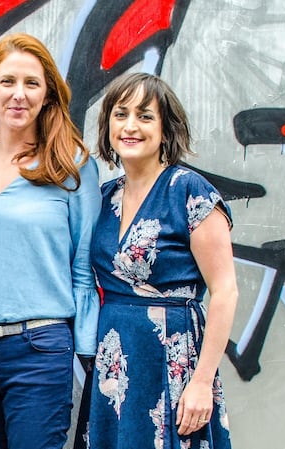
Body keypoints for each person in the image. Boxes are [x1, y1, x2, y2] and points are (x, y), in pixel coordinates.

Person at [0, 33, 101, 449]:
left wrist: (85, 351)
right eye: (8, 81)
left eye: (32, 83)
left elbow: (83, 267)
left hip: (39, 350)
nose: (19, 94)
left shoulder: (72, 167)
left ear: (47, 96)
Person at [87, 72, 237, 448]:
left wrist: (201, 381)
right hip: (115, 363)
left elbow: (225, 291)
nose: (130, 126)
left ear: (165, 129)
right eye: (120, 115)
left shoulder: (189, 192)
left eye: (145, 116)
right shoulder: (103, 197)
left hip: (173, 359)